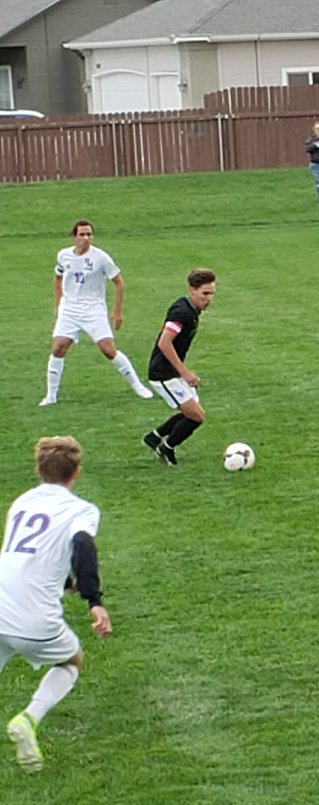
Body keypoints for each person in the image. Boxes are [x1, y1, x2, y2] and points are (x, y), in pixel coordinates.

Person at [2, 436, 113, 774]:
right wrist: (94, 600)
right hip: (34, 618)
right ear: (75, 473)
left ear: (39, 469)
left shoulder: (21, 502)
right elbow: (82, 545)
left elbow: (30, 557)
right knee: (71, 660)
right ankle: (28, 719)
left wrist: (66, 582)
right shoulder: (81, 510)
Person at [41, 220, 154, 407]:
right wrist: (58, 306)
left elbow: (119, 282)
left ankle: (138, 386)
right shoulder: (63, 255)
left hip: (93, 309)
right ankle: (51, 396)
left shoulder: (101, 258)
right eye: (82, 234)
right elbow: (58, 277)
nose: (86, 238)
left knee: (108, 350)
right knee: (58, 347)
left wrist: (117, 312)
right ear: (74, 236)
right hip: (69, 309)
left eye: (89, 234)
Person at [142, 269, 217, 466]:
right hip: (163, 374)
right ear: (192, 290)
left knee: (192, 413)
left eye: (212, 293)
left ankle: (154, 437)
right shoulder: (181, 313)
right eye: (205, 293)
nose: (209, 299)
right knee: (196, 416)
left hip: (172, 371)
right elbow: (164, 342)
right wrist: (185, 373)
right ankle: (166, 448)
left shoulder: (191, 309)